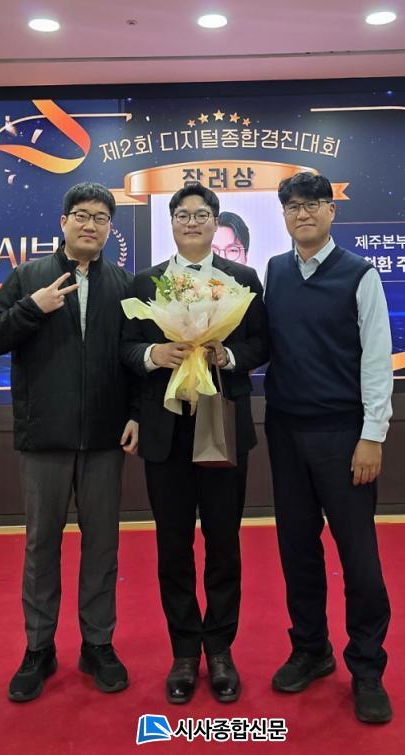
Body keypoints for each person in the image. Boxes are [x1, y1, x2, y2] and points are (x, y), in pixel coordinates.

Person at [0, 182, 138, 703]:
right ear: (63, 222)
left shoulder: (125, 283)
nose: (90, 225)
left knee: (103, 546)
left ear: (110, 228)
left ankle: (98, 644)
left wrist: (136, 414)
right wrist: (33, 307)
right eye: (81, 215)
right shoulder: (29, 276)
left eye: (101, 218)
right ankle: (39, 648)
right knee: (41, 545)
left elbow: (136, 357)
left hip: (105, 439)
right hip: (44, 437)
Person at [121, 183, 268, 705]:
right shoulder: (146, 282)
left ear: (215, 220)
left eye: (201, 214)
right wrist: (154, 354)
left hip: (222, 423)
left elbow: (262, 342)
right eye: (183, 215)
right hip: (166, 428)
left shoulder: (242, 280)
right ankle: (184, 651)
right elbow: (125, 349)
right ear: (172, 222)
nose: (192, 222)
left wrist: (228, 357)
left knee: (224, 543)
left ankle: (221, 649)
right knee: (173, 544)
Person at [264, 172, 394, 724]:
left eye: (313, 204)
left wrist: (372, 435)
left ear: (331, 211)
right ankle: (311, 649)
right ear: (284, 215)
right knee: (297, 549)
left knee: (358, 558)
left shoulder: (360, 274)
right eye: (293, 206)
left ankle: (366, 667)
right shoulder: (275, 270)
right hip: (284, 431)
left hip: (344, 436)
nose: (303, 214)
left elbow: (377, 359)